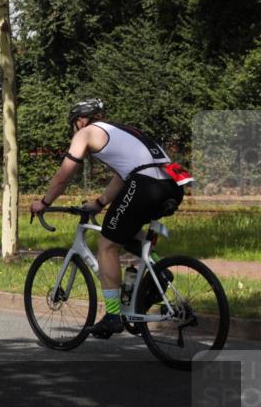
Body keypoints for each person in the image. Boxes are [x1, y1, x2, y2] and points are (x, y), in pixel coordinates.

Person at [29, 99, 191, 338]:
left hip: (145, 184)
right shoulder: (123, 131)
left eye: (74, 124)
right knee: (124, 234)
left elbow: (64, 175)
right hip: (173, 184)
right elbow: (124, 175)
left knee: (106, 244)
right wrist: (99, 203)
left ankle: (113, 316)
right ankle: (159, 271)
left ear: (81, 120)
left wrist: (43, 203)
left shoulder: (86, 133)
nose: (75, 129)